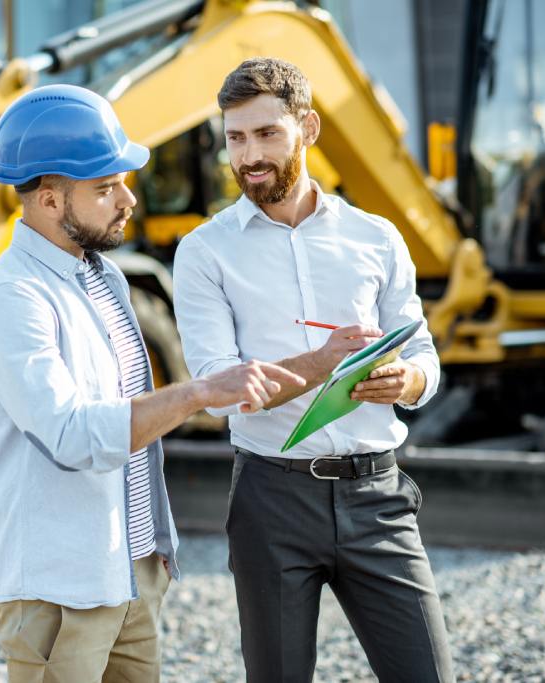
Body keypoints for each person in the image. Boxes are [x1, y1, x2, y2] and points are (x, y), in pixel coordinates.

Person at [0, 83, 305, 683]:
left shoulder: (105, 281)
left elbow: (132, 423)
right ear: (48, 199)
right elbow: (71, 435)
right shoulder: (12, 298)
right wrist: (199, 393)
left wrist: (154, 552)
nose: (128, 200)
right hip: (58, 590)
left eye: (123, 180)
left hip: (130, 570)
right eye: (105, 188)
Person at [172, 58, 455, 681]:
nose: (249, 156)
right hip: (271, 500)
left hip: (377, 497)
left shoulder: (376, 238)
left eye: (267, 133)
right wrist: (321, 363)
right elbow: (220, 391)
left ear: (309, 128)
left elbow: (424, 356)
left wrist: (406, 381)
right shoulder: (203, 253)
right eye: (235, 138)